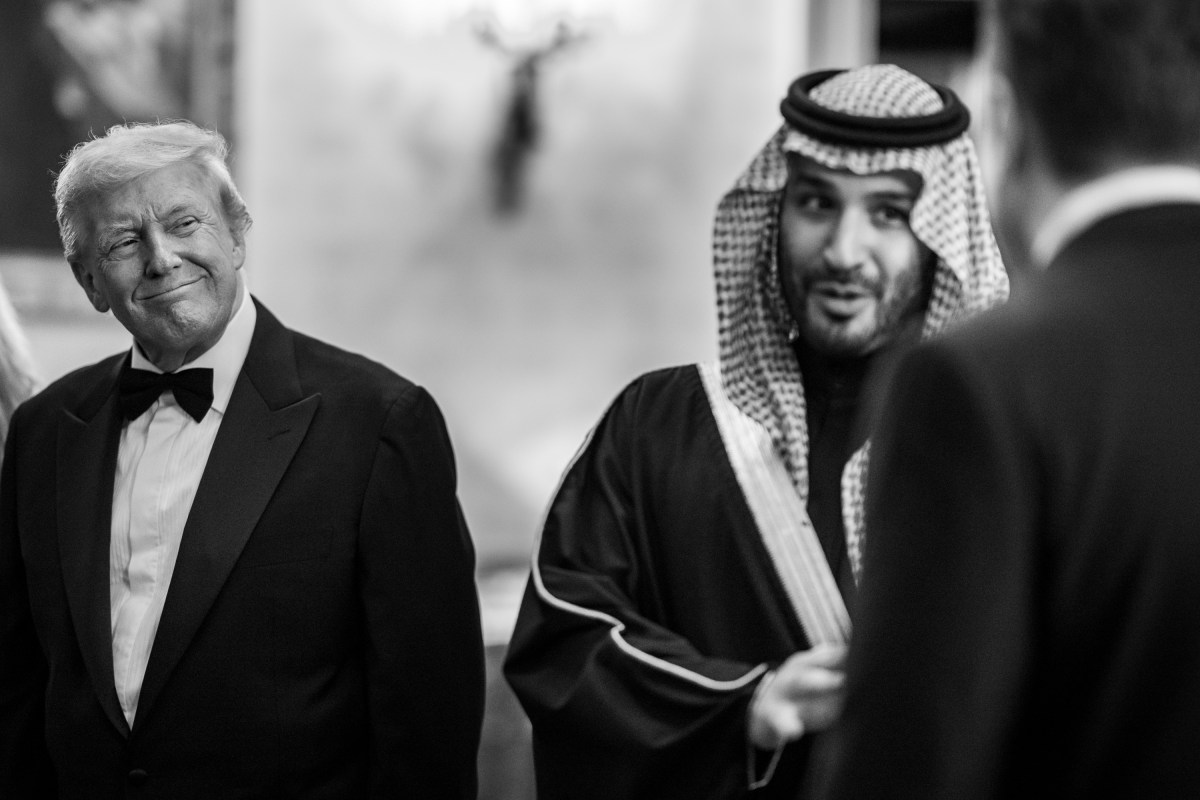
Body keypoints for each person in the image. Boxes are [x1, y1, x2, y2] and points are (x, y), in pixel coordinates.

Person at [503, 64, 1008, 799]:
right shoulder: (658, 425)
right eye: (816, 202)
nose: (843, 250)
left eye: (889, 213)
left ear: (941, 239)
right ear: (774, 212)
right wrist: (742, 707)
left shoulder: (997, 444)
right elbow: (565, 641)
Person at [0, 121, 485, 798]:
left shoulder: (380, 424)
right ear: (89, 282)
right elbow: (19, 692)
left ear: (236, 233)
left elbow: (429, 724)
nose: (161, 258)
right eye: (122, 242)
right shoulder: (44, 431)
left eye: (184, 223)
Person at [813, 2, 1200, 799]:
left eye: (890, 211)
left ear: (1004, 116)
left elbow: (912, 766)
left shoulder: (980, 380)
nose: (846, 253)